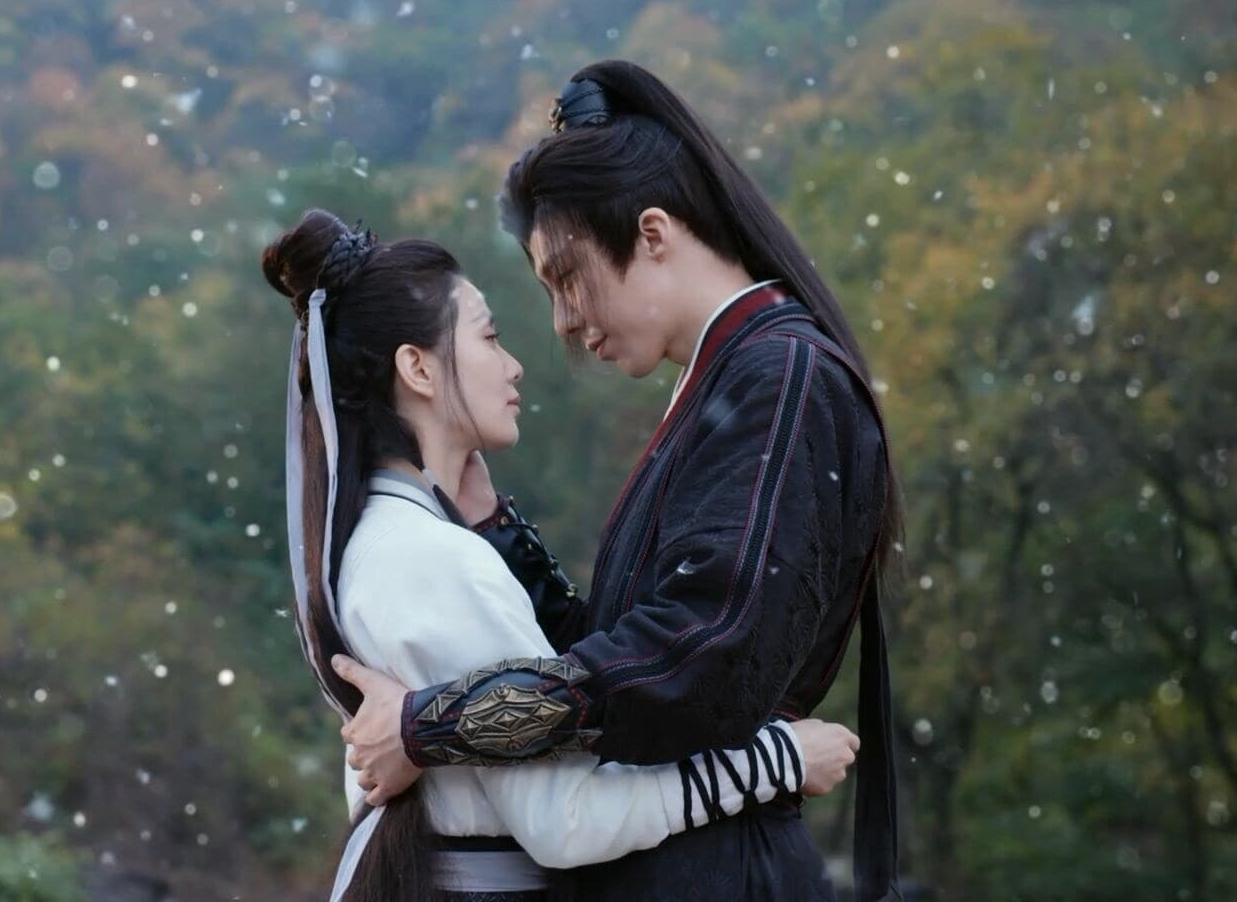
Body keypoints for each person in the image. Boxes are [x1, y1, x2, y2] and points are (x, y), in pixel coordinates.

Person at [334, 60, 905, 900]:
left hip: (717, 870)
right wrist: (498, 534)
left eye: (568, 279)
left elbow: (697, 655)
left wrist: (433, 725)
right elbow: (629, 650)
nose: (564, 322)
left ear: (653, 234)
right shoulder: (734, 379)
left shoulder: (780, 377)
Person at [262, 209, 862, 901]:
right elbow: (569, 821)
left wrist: (497, 534)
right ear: (417, 368)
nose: (514, 365)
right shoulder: (434, 560)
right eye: (489, 337)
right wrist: (777, 760)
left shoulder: (382, 540)